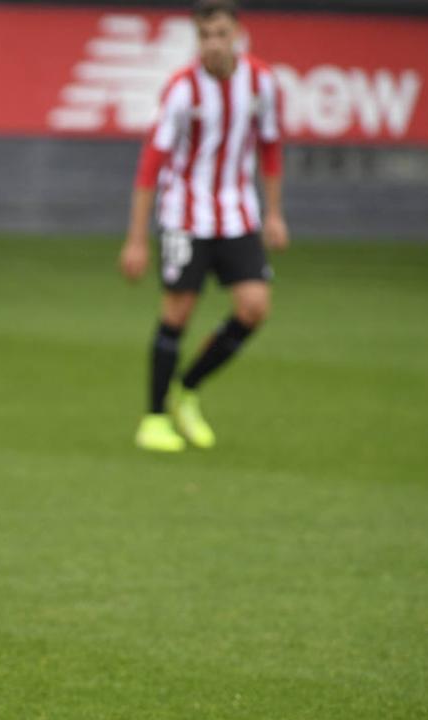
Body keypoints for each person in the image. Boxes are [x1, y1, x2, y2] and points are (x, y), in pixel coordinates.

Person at [119, 0, 289, 452]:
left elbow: (270, 148)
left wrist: (273, 212)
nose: (213, 43)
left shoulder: (261, 82)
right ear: (197, 40)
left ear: (237, 34)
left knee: (254, 307)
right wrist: (137, 238)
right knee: (177, 314)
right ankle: (154, 418)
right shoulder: (182, 89)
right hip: (185, 218)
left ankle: (187, 388)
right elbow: (150, 163)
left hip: (239, 215)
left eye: (220, 34)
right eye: (205, 36)